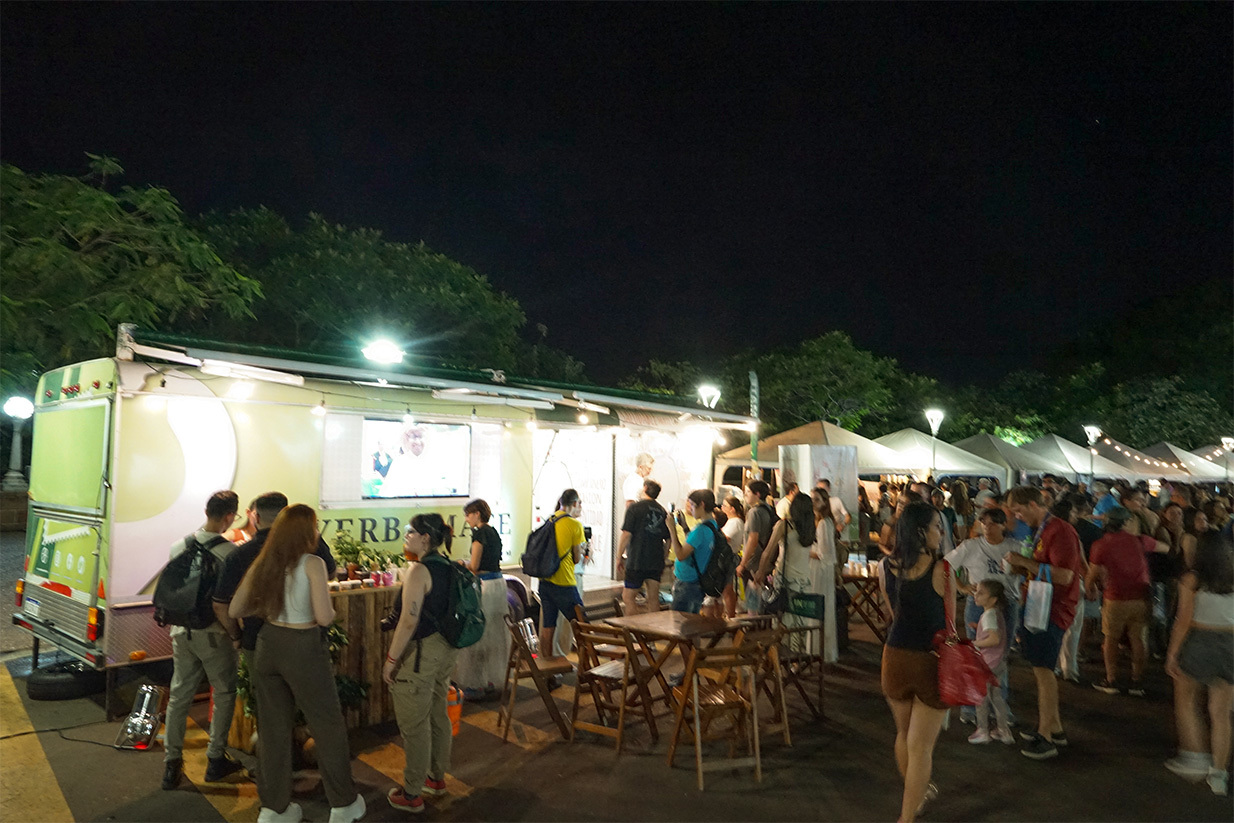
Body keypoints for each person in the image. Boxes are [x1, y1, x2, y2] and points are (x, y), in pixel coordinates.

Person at [229, 504, 364, 823]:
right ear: (306, 531)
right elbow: (324, 617)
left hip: (268, 644)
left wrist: (265, 609)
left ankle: (274, 808)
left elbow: (235, 609)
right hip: (303, 646)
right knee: (326, 724)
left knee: (272, 729)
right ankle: (343, 803)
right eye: (315, 526)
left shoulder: (265, 563)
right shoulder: (313, 563)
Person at [161, 491, 245, 791]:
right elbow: (229, 600)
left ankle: (171, 763)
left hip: (180, 632)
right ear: (228, 517)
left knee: (179, 695)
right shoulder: (230, 553)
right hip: (213, 634)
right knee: (223, 693)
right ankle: (215, 759)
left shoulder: (178, 546)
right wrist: (236, 634)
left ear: (206, 511)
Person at [383, 514, 462, 813]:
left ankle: (412, 793)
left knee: (414, 723)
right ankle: (436, 778)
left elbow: (408, 620)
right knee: (438, 713)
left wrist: (391, 660)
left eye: (410, 532)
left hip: (422, 654)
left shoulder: (419, 571)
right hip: (446, 649)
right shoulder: (450, 567)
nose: (406, 536)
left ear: (425, 538)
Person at [881, 501, 951, 823]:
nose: (941, 533)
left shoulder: (886, 566)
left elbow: (893, 613)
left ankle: (916, 796)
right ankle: (906, 817)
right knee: (921, 746)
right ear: (922, 532)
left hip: (894, 656)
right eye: (937, 526)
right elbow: (950, 626)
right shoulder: (941, 569)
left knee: (903, 734)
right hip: (929, 661)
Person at [1004, 485, 1083, 760]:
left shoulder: (1059, 531)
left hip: (1052, 608)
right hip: (1041, 606)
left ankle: (1046, 736)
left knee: (1044, 672)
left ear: (1034, 505)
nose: (1017, 517)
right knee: (1041, 670)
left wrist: (1024, 563)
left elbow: (1065, 576)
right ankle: (1054, 727)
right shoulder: (1044, 529)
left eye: (1018, 511)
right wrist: (1022, 566)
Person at [214, 492, 338, 662]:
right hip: (304, 638)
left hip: (257, 638)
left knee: (263, 680)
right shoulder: (311, 550)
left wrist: (236, 636)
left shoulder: (241, 555)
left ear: (256, 517)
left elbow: (223, 605)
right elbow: (331, 575)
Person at [1164, 529, 1234, 796]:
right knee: (1221, 713)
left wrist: (1172, 653)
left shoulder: (1192, 579)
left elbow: (1183, 620)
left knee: (1186, 700)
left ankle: (1195, 756)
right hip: (1230, 643)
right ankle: (1219, 773)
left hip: (1200, 641)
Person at [946, 508, 1019, 723]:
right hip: (978, 605)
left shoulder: (1014, 547)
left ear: (1003, 525)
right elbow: (947, 565)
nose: (987, 527)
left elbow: (1028, 570)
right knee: (975, 654)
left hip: (1006, 603)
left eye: (993, 523)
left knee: (1000, 656)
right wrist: (962, 586)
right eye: (984, 522)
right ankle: (971, 706)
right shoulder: (971, 546)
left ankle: (999, 706)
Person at [1086, 507, 1153, 696]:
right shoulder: (1138, 540)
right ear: (1124, 523)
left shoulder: (1101, 544)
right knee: (1138, 639)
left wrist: (1090, 588)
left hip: (1116, 596)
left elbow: (1092, 574)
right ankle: (1137, 681)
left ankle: (1111, 679)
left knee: (1111, 639)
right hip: (1141, 596)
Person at [454, 499, 508, 698]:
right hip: (498, 585)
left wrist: (462, 563)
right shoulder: (493, 532)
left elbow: (475, 565)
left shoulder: (479, 534)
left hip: (485, 587)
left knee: (478, 632)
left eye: (468, 515)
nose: (466, 519)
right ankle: (492, 679)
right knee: (495, 634)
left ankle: (476, 683)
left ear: (477, 514)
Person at [538, 489, 587, 661]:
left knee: (548, 627)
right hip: (565, 582)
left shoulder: (549, 520)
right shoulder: (575, 525)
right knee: (582, 624)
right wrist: (582, 551)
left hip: (545, 582)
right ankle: (586, 666)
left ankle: (547, 668)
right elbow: (576, 558)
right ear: (574, 503)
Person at [969, 579, 1014, 745]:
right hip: (998, 662)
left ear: (993, 599)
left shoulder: (988, 615)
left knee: (981, 698)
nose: (976, 595)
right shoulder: (996, 613)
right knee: (997, 697)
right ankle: (1003, 731)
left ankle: (983, 730)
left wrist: (974, 643)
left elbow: (994, 639)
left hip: (987, 663)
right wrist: (979, 629)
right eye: (976, 591)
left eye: (981, 593)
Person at [616, 480, 670, 616]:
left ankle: (633, 627)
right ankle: (653, 628)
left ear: (645, 488)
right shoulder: (662, 511)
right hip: (655, 561)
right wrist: (663, 557)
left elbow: (626, 534)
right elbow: (668, 539)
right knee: (653, 598)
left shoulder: (634, 508)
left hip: (637, 560)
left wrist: (618, 557)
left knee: (628, 597)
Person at [665, 489, 719, 613]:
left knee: (680, 620)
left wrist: (672, 529)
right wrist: (684, 527)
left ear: (702, 505)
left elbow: (681, 555)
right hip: (699, 579)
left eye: (693, 505)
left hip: (688, 582)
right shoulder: (713, 525)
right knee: (692, 618)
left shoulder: (700, 530)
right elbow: (695, 547)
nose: (690, 508)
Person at [737, 480, 775, 614]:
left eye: (748, 492)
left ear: (757, 494)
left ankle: (752, 623)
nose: (745, 495)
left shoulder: (754, 512)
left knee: (753, 603)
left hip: (754, 563)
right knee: (764, 600)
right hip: (767, 561)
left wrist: (743, 564)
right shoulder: (769, 509)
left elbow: (753, 540)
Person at [811, 488, 840, 662]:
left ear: (824, 502)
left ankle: (819, 648)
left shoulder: (823, 523)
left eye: (817, 499)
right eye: (812, 499)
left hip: (820, 569)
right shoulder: (823, 522)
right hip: (821, 569)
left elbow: (823, 552)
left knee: (819, 605)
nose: (813, 503)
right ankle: (820, 648)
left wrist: (805, 551)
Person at [719, 495, 746, 618]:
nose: (722, 508)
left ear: (732, 509)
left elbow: (725, 538)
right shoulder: (733, 522)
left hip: (729, 557)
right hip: (728, 556)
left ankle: (730, 614)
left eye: (725, 506)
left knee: (727, 588)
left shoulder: (735, 522)